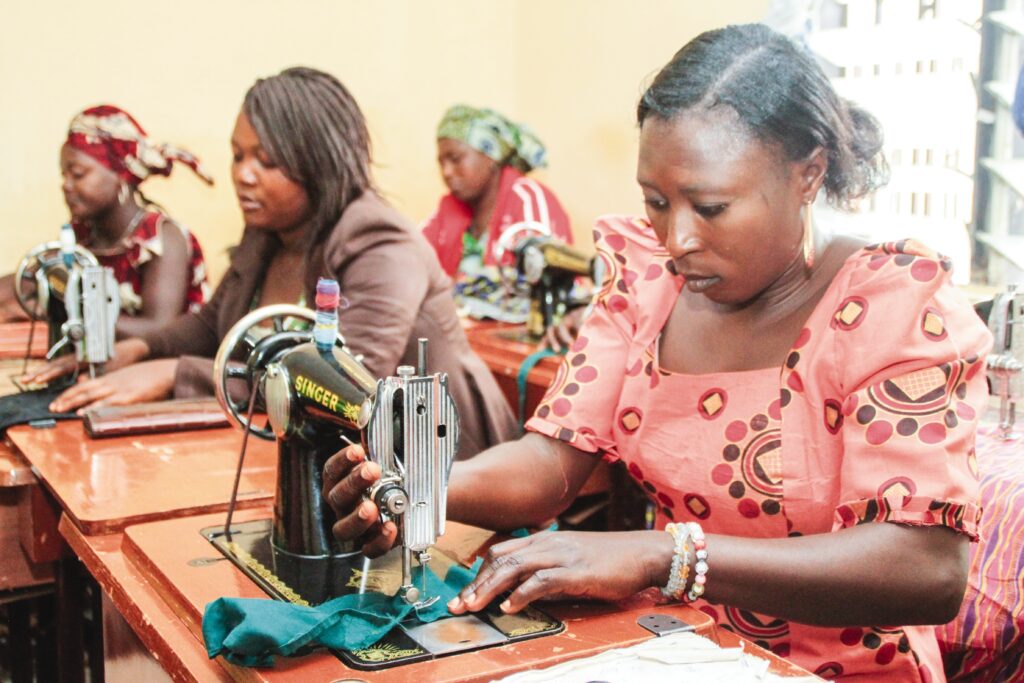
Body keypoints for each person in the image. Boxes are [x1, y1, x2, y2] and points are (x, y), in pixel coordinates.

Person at [322, 25, 993, 681]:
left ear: (808, 172)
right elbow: (551, 460)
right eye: (655, 201)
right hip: (672, 650)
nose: (676, 238)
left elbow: (926, 567)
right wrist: (418, 487)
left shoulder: (892, 304)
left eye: (711, 206)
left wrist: (666, 554)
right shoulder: (647, 286)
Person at [27, 67, 517, 459]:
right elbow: (213, 324)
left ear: (317, 161)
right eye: (238, 155)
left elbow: (346, 382)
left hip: (439, 466)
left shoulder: (377, 240)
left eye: (266, 160)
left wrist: (177, 374)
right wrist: (138, 350)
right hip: (323, 455)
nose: (243, 175)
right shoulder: (268, 232)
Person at [0, 105, 212, 337]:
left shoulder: (161, 239)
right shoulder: (85, 236)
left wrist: (68, 312)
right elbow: (26, 283)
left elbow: (159, 330)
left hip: (160, 366)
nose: (66, 185)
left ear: (120, 173)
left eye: (78, 174)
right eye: (64, 174)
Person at [421, 104, 573, 281]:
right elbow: (409, 257)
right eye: (441, 163)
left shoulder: (527, 198)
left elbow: (540, 279)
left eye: (455, 159)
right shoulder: (448, 211)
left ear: (491, 156)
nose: (446, 172)